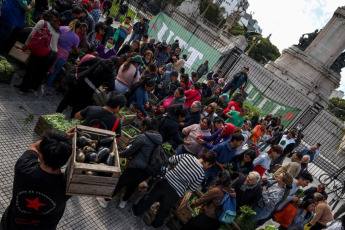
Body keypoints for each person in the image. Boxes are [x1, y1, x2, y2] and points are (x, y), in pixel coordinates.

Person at [0, 129, 74, 229]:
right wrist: (62, 144)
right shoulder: (69, 186)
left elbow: (35, 146)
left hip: (10, 226)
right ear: (66, 160)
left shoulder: (22, 167)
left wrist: (57, 140)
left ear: (41, 155)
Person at [132, 152, 217, 228]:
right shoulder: (201, 174)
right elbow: (191, 188)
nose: (207, 168)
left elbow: (171, 159)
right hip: (175, 193)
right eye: (209, 166)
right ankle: (156, 224)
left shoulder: (187, 156)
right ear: (208, 163)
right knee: (164, 210)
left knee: (149, 198)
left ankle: (137, 210)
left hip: (165, 182)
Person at [96, 118, 162, 209]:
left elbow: (130, 151)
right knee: (133, 185)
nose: (141, 128)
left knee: (120, 183)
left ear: (145, 127)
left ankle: (105, 201)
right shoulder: (158, 139)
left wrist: (120, 154)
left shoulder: (144, 137)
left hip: (136, 167)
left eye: (142, 126)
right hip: (147, 171)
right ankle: (123, 202)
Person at [18, 10, 60, 94]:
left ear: (42, 16)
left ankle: (23, 89)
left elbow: (32, 34)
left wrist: (25, 46)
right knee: (41, 72)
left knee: (31, 69)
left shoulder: (43, 22)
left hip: (44, 50)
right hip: (53, 53)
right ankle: (33, 88)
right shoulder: (55, 27)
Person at [45, 20, 80, 93]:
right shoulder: (76, 38)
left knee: (46, 66)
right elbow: (75, 50)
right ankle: (47, 86)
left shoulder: (61, 28)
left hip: (52, 50)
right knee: (54, 72)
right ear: (77, 28)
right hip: (62, 56)